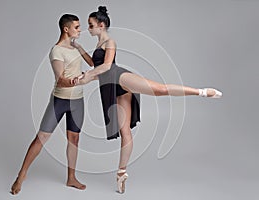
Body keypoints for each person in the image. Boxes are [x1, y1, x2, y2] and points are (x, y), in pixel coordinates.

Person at [71, 6, 222, 194]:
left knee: (160, 90)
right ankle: (121, 173)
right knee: (125, 132)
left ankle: (201, 91)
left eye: (91, 25)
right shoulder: (98, 44)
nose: (88, 28)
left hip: (119, 78)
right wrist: (78, 48)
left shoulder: (110, 42)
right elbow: (95, 64)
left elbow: (107, 66)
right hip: (110, 87)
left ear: (101, 25)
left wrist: (87, 76)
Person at [10, 14, 91, 195]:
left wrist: (79, 46)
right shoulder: (57, 51)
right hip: (60, 101)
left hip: (78, 101)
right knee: (42, 138)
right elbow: (61, 80)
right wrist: (79, 80)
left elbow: (93, 63)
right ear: (66, 29)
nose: (80, 30)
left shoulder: (74, 47)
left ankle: (71, 178)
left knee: (74, 140)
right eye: (77, 27)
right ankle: (21, 175)